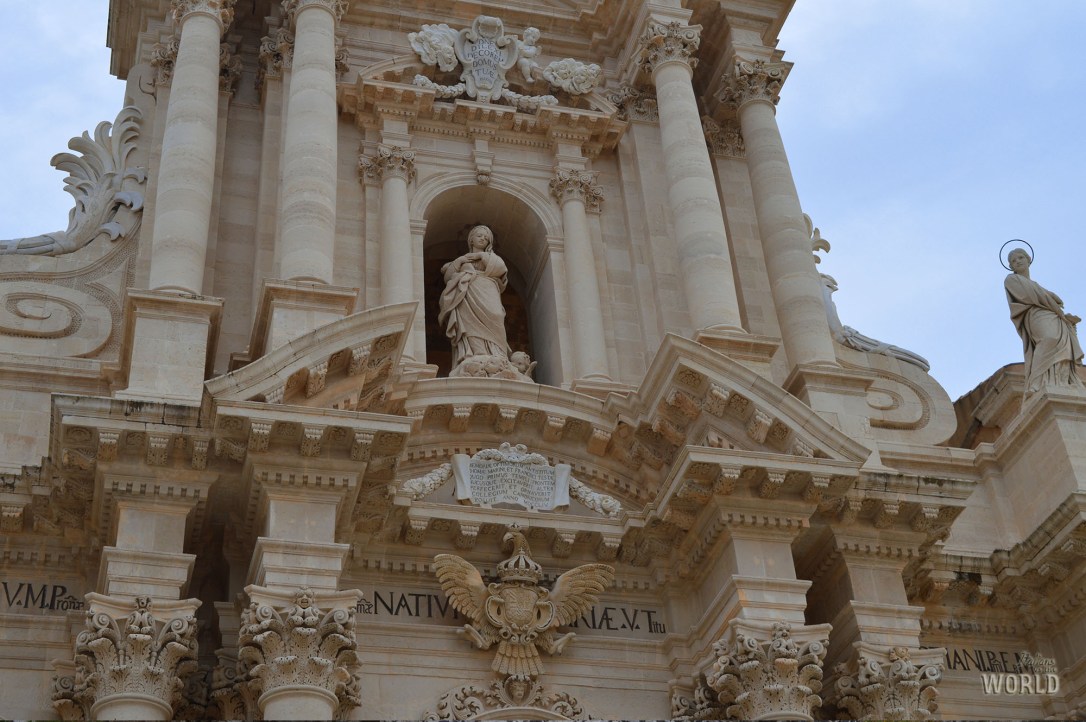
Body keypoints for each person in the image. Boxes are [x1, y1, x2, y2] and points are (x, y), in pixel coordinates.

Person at [1004, 248, 1084, 395]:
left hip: (1051, 315)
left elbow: (1040, 295)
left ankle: (1060, 380)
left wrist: (1063, 316)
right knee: (1049, 339)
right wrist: (1056, 306)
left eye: (1020, 257)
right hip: (1035, 314)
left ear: (1028, 259)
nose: (1018, 261)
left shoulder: (1037, 285)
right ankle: (1036, 381)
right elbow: (1029, 296)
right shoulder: (1011, 280)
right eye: (1013, 261)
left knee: (1061, 346)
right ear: (1011, 267)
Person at [439, 225, 511, 370]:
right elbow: (448, 277)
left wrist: (480, 256)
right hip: (466, 293)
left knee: (496, 315)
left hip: (488, 289)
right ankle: (476, 353)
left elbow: (501, 269)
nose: (483, 239)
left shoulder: (491, 258)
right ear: (471, 239)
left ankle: (497, 353)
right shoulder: (463, 259)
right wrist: (460, 261)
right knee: (469, 323)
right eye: (479, 235)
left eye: (486, 238)